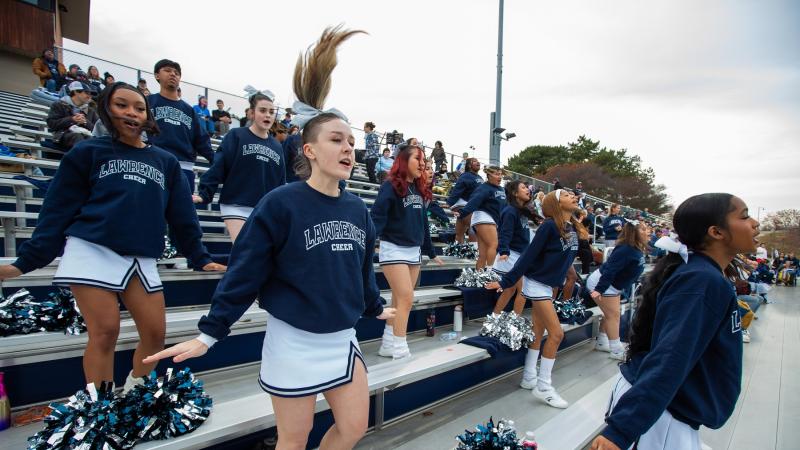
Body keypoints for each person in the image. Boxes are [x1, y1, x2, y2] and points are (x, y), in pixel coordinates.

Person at [144, 27, 395, 450]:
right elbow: (246, 272)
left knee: (353, 427)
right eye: (337, 140)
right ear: (309, 150)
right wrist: (209, 333)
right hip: (294, 341)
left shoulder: (357, 209)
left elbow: (359, 269)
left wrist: (373, 305)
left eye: (351, 142)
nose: (349, 149)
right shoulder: (280, 203)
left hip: (342, 339)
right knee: (292, 440)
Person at [0, 82, 225, 390]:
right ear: (106, 109)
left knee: (155, 334)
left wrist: (200, 258)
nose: (131, 113)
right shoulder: (87, 151)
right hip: (92, 249)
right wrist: (24, 263)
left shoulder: (166, 162)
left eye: (139, 107)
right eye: (122, 105)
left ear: (148, 115)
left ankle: (137, 393)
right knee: (105, 332)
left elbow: (182, 217)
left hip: (141, 255)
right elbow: (57, 210)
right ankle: (100, 409)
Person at [591, 193, 757, 450]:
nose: (755, 223)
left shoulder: (704, 274)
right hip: (660, 414)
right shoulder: (701, 280)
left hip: (669, 409)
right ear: (716, 232)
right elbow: (671, 357)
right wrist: (622, 430)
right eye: (745, 216)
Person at [486, 189, 581, 409]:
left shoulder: (571, 227)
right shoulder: (548, 226)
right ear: (556, 204)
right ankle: (544, 386)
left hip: (548, 284)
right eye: (567, 195)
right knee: (556, 334)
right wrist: (505, 281)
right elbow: (528, 257)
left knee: (538, 332)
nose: (573, 197)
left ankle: (529, 376)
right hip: (537, 283)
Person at [372, 143, 443, 360]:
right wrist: (369, 242)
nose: (422, 164)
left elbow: (423, 224)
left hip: (413, 251)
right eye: (417, 159)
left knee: (398, 300)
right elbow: (377, 216)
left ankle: (387, 343)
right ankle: (400, 349)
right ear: (404, 161)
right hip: (393, 249)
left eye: (424, 160)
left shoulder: (420, 189)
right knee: (406, 299)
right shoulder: (391, 185)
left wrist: (430, 252)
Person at [194, 93, 284, 242]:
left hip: (263, 209)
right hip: (236, 204)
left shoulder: (277, 146)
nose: (267, 115)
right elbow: (219, 165)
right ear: (252, 113)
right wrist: (205, 193)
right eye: (262, 110)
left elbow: (279, 182)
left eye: (271, 112)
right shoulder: (236, 135)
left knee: (257, 257)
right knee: (245, 249)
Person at [147, 59, 215, 194]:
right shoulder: (148, 102)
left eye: (176, 73)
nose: (173, 74)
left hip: (183, 168)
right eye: (167, 70)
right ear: (157, 75)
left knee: (181, 213)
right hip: (153, 163)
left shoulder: (189, 110)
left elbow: (202, 142)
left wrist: (218, 162)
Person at [587, 220, 647, 361]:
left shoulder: (636, 247)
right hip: (603, 284)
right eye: (643, 229)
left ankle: (602, 341)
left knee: (610, 314)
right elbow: (609, 271)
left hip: (612, 286)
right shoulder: (625, 249)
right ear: (634, 232)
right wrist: (599, 290)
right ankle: (616, 350)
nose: (647, 232)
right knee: (613, 316)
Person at [492, 180, 533, 314]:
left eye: (527, 187)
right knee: (522, 289)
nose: (527, 189)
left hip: (521, 254)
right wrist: (504, 251)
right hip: (511, 254)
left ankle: (494, 316)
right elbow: (505, 233)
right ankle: (514, 321)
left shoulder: (522, 211)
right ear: (515, 193)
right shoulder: (510, 211)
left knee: (510, 289)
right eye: (523, 187)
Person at [456, 166, 506, 269]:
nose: (500, 177)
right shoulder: (483, 188)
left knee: (483, 254)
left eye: (501, 174)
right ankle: (490, 272)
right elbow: (473, 202)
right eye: (497, 174)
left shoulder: (501, 189)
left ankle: (480, 276)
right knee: (494, 244)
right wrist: (462, 213)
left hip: (492, 219)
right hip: (483, 217)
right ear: (489, 175)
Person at [46, 81, 99, 149]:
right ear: (76, 92)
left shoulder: (91, 110)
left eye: (91, 94)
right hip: (64, 136)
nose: (89, 96)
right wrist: (72, 119)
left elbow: (98, 130)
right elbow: (52, 124)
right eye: (87, 93)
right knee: (79, 137)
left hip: (86, 138)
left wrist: (85, 122)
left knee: (95, 141)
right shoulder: (59, 105)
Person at [446, 158, 483, 244]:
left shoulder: (480, 177)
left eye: (478, 161)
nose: (478, 162)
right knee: (475, 228)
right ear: (469, 165)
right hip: (463, 205)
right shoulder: (465, 175)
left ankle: (459, 251)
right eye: (474, 161)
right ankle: (475, 252)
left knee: (460, 233)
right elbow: (457, 190)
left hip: (472, 207)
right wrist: (449, 203)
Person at [576, 209, 594, 274]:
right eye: (582, 215)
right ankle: (591, 260)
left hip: (581, 245)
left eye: (583, 215)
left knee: (587, 253)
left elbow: (584, 234)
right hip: (575, 244)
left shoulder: (582, 223)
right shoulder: (575, 222)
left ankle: (585, 273)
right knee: (584, 243)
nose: (583, 216)